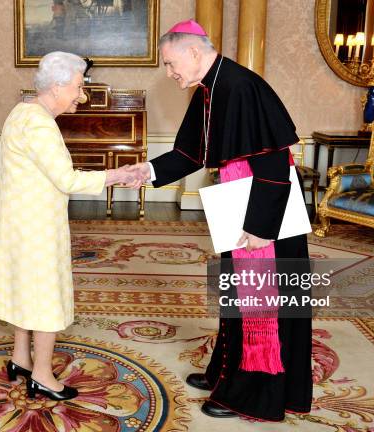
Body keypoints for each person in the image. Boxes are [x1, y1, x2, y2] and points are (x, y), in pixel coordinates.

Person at [126, 20, 313, 421]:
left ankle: (253, 395)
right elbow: (192, 153)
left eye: (171, 63)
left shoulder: (242, 86)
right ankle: (225, 371)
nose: (170, 72)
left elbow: (275, 163)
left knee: (260, 305)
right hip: (239, 198)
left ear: (193, 52)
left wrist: (262, 229)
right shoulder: (210, 87)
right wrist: (148, 171)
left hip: (265, 211)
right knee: (235, 297)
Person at [0, 51, 136, 401]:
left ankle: (20, 358)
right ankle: (40, 374)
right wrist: (117, 175)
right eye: (77, 87)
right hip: (36, 226)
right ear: (56, 87)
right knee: (44, 295)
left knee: (22, 288)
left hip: (17, 221)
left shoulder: (21, 111)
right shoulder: (38, 122)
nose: (81, 96)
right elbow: (66, 180)